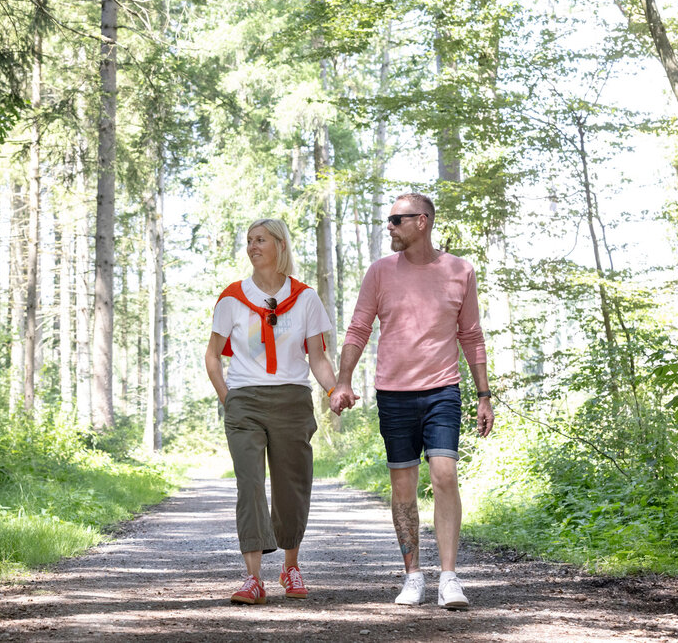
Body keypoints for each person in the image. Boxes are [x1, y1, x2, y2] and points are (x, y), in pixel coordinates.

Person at [330, 193, 494, 610]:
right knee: (403, 486)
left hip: (443, 391)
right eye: (388, 221)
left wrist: (484, 395)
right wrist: (342, 380)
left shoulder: (460, 270)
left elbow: (471, 334)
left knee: (444, 477)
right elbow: (359, 327)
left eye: (396, 220)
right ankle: (413, 576)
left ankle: (450, 579)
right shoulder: (380, 272)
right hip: (394, 394)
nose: (390, 227)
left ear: (422, 222)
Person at [204, 218, 338, 605]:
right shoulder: (232, 297)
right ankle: (252, 578)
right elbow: (213, 356)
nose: (252, 247)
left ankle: (290, 566)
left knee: (291, 487)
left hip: (292, 400)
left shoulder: (306, 298)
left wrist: (333, 389)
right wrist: (227, 396)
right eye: (248, 241)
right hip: (244, 401)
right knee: (249, 484)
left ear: (280, 245)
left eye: (260, 240)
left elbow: (318, 356)